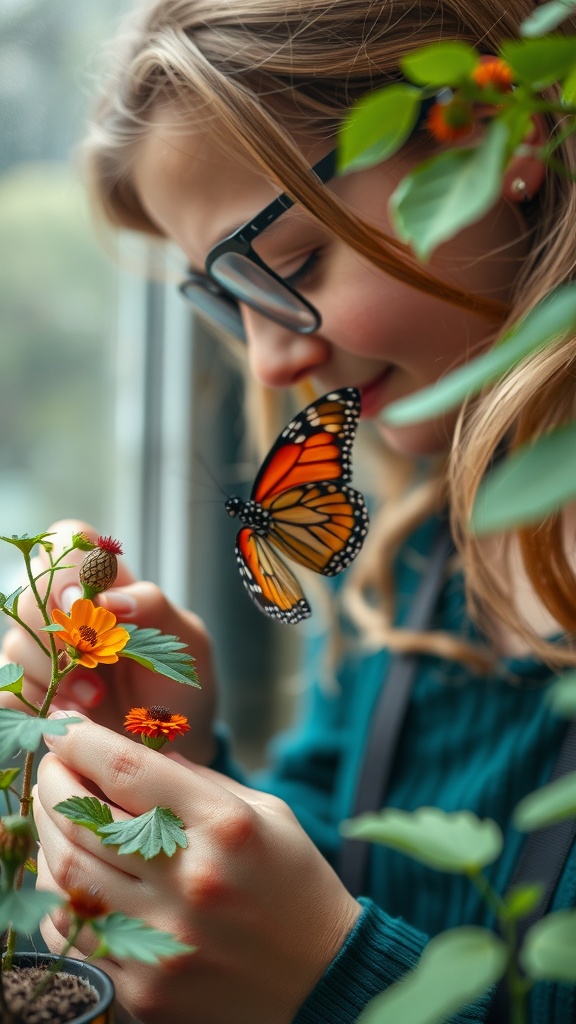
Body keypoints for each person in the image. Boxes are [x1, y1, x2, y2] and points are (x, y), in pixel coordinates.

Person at [2, 0, 576, 1021]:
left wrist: (329, 975)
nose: (270, 359)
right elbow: (349, 858)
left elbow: (335, 939)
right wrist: (179, 777)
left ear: (505, 132)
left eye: (294, 265)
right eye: (228, 300)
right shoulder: (411, 565)